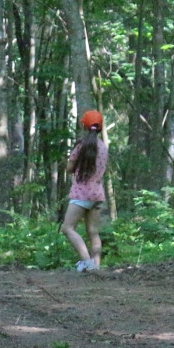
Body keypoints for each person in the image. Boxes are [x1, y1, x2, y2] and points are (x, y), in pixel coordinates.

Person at [62, 110, 108, 271]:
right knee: (93, 231)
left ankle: (87, 263)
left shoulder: (81, 146)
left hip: (81, 193)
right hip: (97, 193)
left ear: (84, 125)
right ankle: (96, 266)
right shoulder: (103, 147)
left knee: (67, 228)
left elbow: (69, 168)